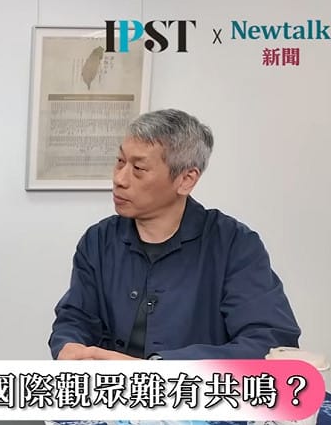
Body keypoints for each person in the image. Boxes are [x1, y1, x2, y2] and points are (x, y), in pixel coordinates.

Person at [49, 109, 300, 360]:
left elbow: (270, 341)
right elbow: (76, 318)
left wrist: (160, 368)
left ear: (186, 180)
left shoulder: (234, 245)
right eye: (120, 161)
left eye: (138, 168)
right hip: (108, 385)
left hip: (192, 385)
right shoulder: (99, 240)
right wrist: (68, 346)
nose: (119, 179)